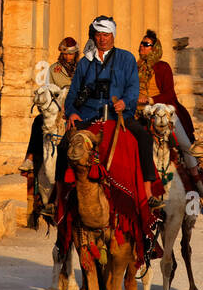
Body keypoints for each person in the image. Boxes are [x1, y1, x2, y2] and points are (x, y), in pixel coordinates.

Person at [61, 15, 160, 206]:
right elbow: (73, 93)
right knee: (65, 143)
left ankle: (148, 192)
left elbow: (133, 89)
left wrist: (125, 102)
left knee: (144, 137)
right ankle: (60, 195)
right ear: (94, 36)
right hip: (89, 115)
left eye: (106, 35)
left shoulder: (126, 58)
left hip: (118, 115)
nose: (102, 38)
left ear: (113, 35)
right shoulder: (85, 62)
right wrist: (72, 111)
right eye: (99, 35)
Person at [137, 29, 203, 210]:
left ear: (154, 48)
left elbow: (169, 93)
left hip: (161, 109)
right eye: (142, 43)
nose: (142, 47)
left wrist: (150, 100)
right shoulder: (135, 67)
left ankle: (200, 188)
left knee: (185, 144)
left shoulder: (162, 67)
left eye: (146, 45)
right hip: (139, 113)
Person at [20, 36, 79, 174]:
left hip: (77, 107)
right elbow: (48, 89)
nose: (67, 56)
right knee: (38, 121)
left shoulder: (82, 67)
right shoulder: (54, 69)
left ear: (75, 53)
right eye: (65, 53)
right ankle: (30, 157)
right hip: (58, 108)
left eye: (70, 53)